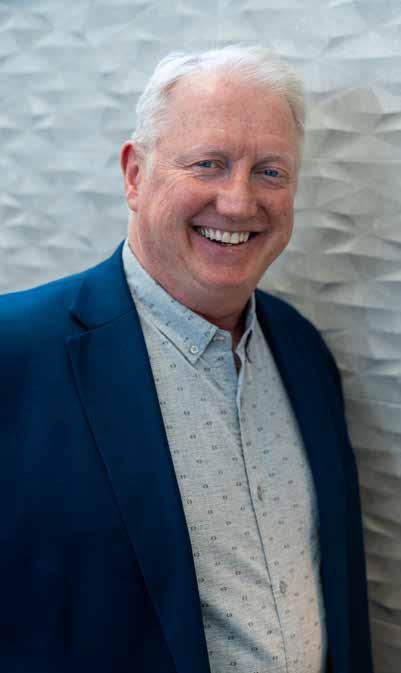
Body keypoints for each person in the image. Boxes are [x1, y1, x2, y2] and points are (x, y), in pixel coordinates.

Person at [0, 46, 373, 673]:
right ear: (135, 175)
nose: (238, 202)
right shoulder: (14, 353)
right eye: (208, 164)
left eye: (270, 172)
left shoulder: (304, 351)